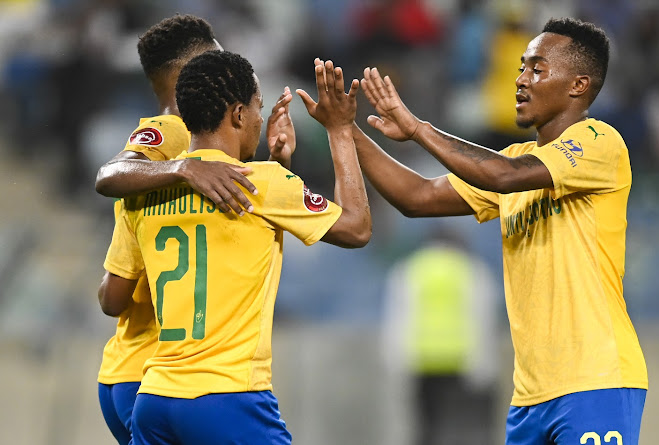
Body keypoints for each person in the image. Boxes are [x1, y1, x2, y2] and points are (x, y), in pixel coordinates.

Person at [355, 17, 648, 444]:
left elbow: (503, 175)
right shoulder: (517, 158)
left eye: (537, 69)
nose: (521, 80)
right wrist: (345, 131)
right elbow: (417, 197)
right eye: (521, 68)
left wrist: (418, 129)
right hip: (531, 396)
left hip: (595, 380)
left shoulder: (599, 142)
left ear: (578, 85)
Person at [99, 51, 369, 444]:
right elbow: (357, 227)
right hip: (226, 396)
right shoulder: (262, 183)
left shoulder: (144, 193)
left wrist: (280, 163)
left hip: (154, 398)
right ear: (239, 114)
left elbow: (113, 298)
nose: (261, 119)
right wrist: (340, 130)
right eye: (258, 107)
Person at [95, 14, 296, 445]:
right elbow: (110, 174)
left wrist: (278, 168)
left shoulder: (192, 155)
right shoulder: (172, 132)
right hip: (169, 374)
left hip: (133, 374)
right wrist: (183, 166)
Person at [382, 226, 500, 445]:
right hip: (461, 363)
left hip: (422, 363)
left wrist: (397, 363)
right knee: (460, 430)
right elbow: (482, 319)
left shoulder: (409, 269)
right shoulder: (471, 269)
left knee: (425, 428)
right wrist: (485, 366)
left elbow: (398, 320)